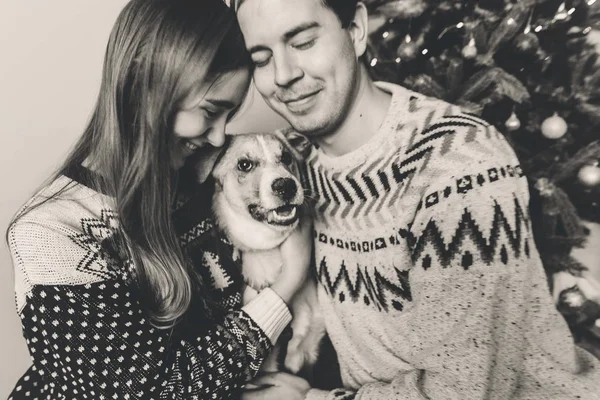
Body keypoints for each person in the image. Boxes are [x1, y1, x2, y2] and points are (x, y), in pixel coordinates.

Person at [234, 0, 600, 399]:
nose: (284, 75)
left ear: (356, 29)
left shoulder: (460, 165)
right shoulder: (295, 163)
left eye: (303, 42)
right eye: (261, 58)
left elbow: (467, 388)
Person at [6, 0, 312, 398]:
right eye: (210, 111)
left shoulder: (196, 184)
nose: (219, 137)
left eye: (230, 116)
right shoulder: (48, 237)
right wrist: (287, 285)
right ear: (146, 84)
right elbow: (157, 390)